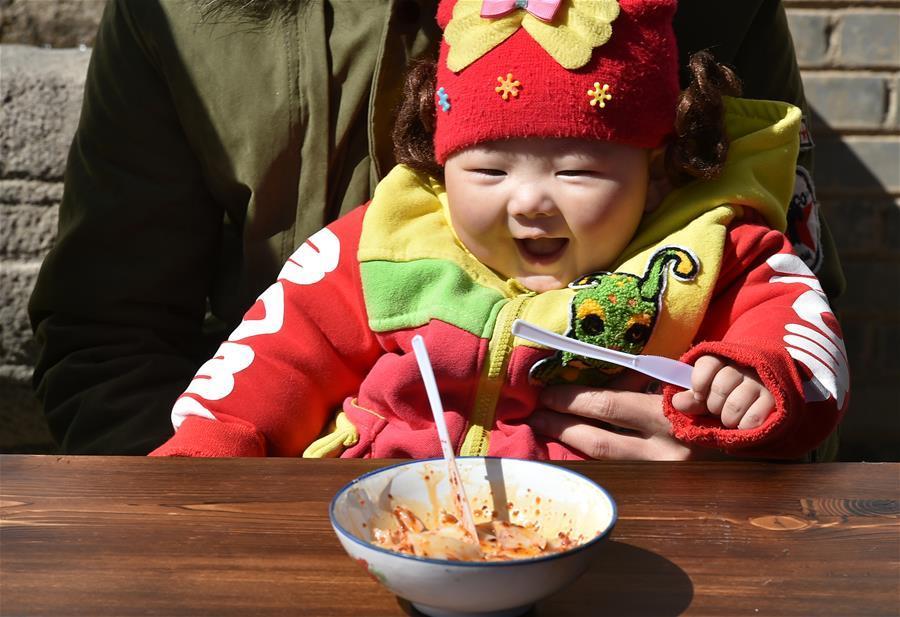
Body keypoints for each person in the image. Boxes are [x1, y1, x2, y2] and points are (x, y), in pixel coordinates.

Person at [29, 0, 845, 456]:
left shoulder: (711, 244)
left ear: (665, 165)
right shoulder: (386, 243)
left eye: (577, 169)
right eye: (488, 169)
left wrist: (737, 444)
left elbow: (799, 321)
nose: (531, 204)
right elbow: (117, 338)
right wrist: (209, 517)